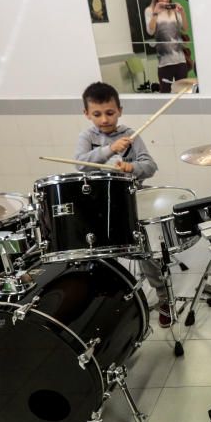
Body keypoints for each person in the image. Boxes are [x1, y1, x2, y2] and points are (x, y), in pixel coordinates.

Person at [74, 82, 172, 326]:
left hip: (129, 201)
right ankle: (117, 302)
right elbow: (80, 164)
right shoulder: (86, 137)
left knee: (144, 253)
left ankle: (163, 298)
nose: (104, 119)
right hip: (99, 204)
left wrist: (132, 167)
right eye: (97, 114)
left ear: (119, 110)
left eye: (110, 112)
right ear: (87, 114)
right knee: (104, 257)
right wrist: (109, 150)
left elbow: (150, 167)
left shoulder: (131, 135)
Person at [144, 0, 189, 93]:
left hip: (180, 60)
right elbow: (150, 31)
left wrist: (182, 12)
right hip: (164, 61)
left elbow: (185, 28)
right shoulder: (149, 10)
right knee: (165, 92)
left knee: (183, 93)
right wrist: (155, 13)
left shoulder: (174, 10)